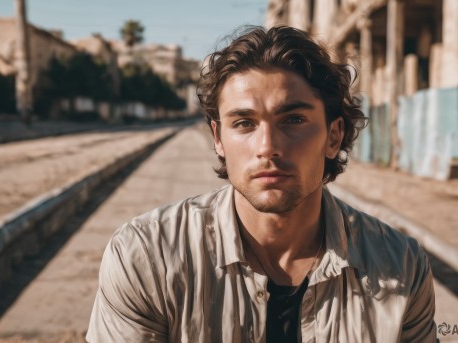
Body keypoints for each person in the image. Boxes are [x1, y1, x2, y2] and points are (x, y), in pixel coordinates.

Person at [86, 26, 437, 342]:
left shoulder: (400, 266)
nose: (268, 147)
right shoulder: (147, 256)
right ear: (218, 138)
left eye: (294, 119)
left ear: (334, 136)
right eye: (243, 123)